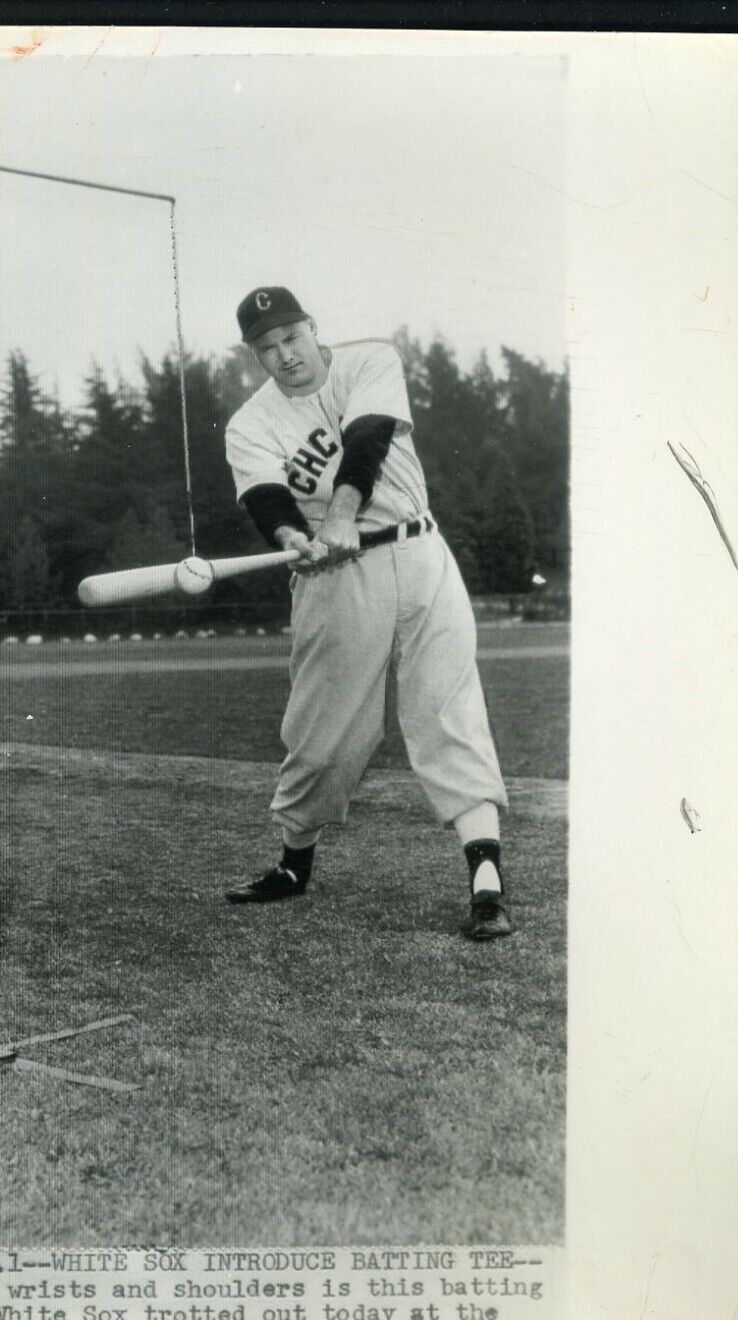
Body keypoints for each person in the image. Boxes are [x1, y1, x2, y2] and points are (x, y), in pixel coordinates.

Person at [222, 287, 513, 939]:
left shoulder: (369, 360)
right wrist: (293, 539)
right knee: (325, 737)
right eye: (267, 348)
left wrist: (346, 513)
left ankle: (486, 881)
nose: (284, 355)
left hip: (418, 550)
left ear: (311, 328)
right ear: (254, 356)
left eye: (291, 337)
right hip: (335, 576)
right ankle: (293, 866)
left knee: (449, 709)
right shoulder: (249, 423)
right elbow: (267, 498)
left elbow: (368, 438)